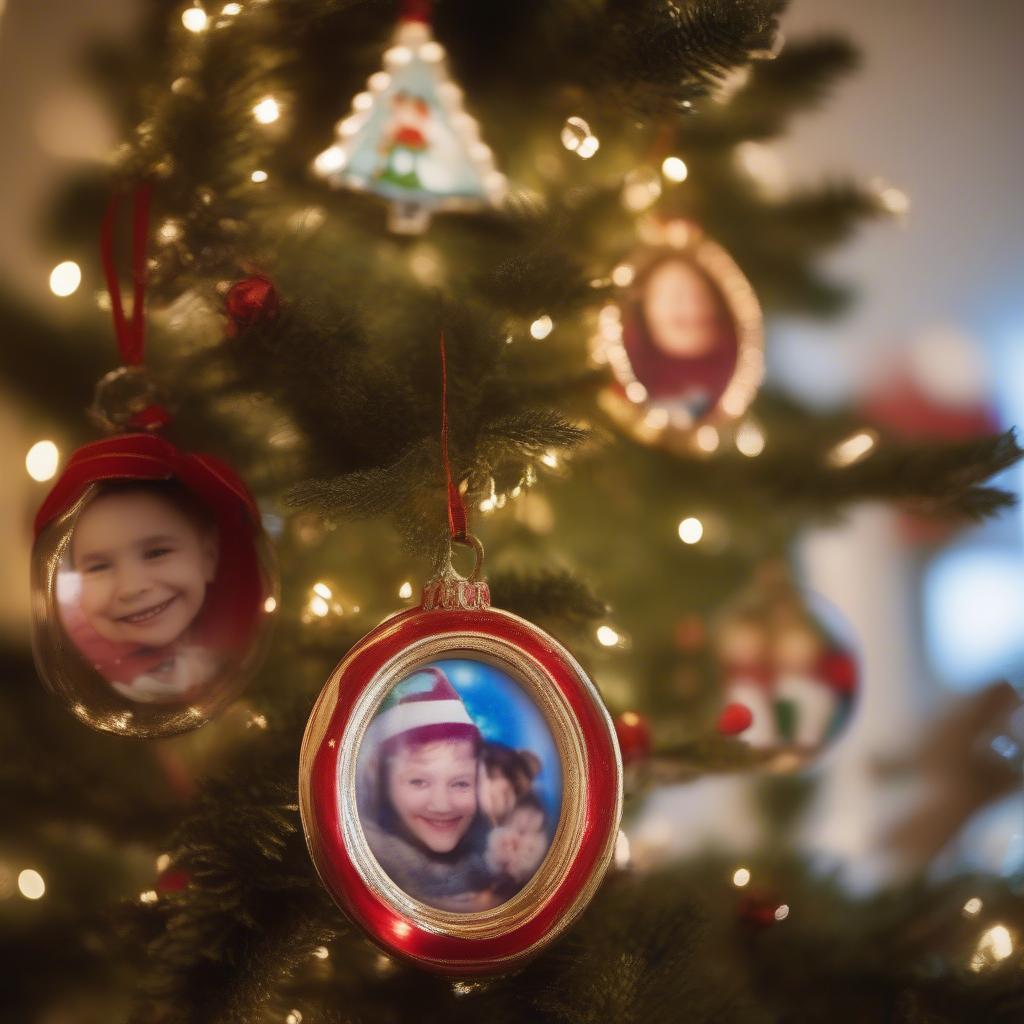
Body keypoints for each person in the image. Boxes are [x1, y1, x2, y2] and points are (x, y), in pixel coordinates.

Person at [58, 479, 221, 704]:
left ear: (208, 558)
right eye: (99, 567)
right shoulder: (86, 674)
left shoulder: (225, 647)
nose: (131, 588)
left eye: (156, 553)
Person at [358, 667, 498, 912]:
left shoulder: (499, 866)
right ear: (380, 784)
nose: (442, 805)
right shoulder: (367, 870)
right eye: (418, 782)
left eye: (461, 783)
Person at [622, 255, 738, 420]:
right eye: (675, 297)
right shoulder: (630, 354)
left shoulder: (735, 355)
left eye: (699, 296)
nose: (690, 309)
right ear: (645, 306)